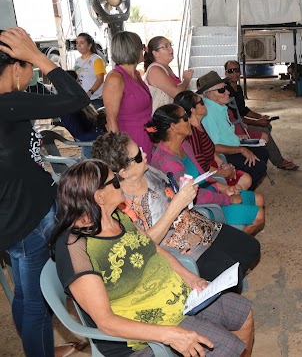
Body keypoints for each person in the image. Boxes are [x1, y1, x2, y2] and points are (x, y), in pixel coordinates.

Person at [50, 160, 254, 356]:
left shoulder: (117, 216)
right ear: (99, 197)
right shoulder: (75, 247)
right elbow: (105, 321)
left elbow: (153, 248)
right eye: (114, 181)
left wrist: (191, 278)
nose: (119, 183)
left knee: (244, 314)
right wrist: (169, 334)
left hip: (179, 297)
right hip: (143, 329)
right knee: (225, 347)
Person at [0, 27, 90, 357]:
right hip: (30, 219)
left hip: (12, 219)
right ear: (15, 67)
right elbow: (77, 99)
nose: (31, 74)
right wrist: (39, 56)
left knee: (25, 294)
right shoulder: (8, 103)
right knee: (39, 302)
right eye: (28, 68)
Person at [92, 132, 260, 282]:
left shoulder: (149, 171)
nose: (144, 154)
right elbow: (145, 245)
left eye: (141, 149)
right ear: (123, 172)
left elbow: (172, 191)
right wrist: (177, 203)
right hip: (179, 250)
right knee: (230, 272)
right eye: (137, 156)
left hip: (198, 225)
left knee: (251, 248)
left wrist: (183, 190)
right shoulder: (120, 204)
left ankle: (227, 288)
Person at [147, 104, 266, 236]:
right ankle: (234, 247)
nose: (190, 119)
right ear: (173, 127)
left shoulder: (184, 144)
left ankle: (235, 242)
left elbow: (201, 174)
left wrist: (223, 188)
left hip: (210, 194)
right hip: (202, 208)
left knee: (259, 199)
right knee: (259, 216)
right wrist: (227, 199)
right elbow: (192, 196)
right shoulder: (167, 162)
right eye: (185, 117)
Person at [197, 72, 269, 187]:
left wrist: (238, 138)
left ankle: (243, 187)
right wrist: (241, 150)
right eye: (221, 90)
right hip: (224, 154)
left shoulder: (219, 107)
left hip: (233, 145)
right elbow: (214, 147)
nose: (228, 92)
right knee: (258, 167)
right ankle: (237, 191)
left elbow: (224, 134)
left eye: (225, 88)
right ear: (209, 94)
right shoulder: (208, 113)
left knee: (263, 153)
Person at [224, 60, 298, 170]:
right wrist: (258, 122)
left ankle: (261, 152)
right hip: (233, 125)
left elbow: (243, 110)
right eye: (230, 71)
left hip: (240, 122)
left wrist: (260, 116)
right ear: (225, 73)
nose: (234, 73)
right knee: (265, 130)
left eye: (237, 70)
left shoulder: (238, 88)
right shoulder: (225, 91)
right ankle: (279, 161)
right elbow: (236, 118)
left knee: (267, 125)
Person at [174, 90, 253, 191]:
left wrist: (222, 163)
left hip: (213, 165)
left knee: (246, 178)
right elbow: (201, 166)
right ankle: (231, 198)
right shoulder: (192, 132)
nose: (205, 104)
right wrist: (225, 173)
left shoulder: (199, 124)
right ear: (193, 109)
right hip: (206, 173)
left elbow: (210, 147)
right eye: (202, 102)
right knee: (245, 179)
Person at [103, 31, 154, 160]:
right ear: (133, 49)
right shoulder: (115, 78)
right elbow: (111, 119)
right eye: (141, 46)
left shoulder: (135, 74)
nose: (144, 50)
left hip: (146, 137)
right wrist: (120, 151)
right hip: (130, 141)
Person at [143, 36, 193, 112]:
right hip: (163, 119)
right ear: (155, 53)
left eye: (170, 45)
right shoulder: (155, 70)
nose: (171, 49)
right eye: (166, 46)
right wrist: (186, 79)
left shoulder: (166, 68)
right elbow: (176, 93)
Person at [73, 33, 106, 110]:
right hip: (82, 98)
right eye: (77, 43)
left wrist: (90, 92)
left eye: (82, 43)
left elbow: (100, 79)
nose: (78, 45)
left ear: (89, 45)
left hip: (95, 99)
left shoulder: (97, 59)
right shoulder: (78, 60)